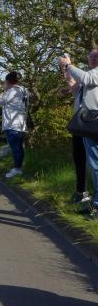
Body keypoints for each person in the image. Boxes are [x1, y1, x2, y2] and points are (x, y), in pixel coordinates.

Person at [61, 50, 98, 217]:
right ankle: (90, 199)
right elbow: (76, 88)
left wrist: (68, 65)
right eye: (91, 55)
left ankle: (96, 205)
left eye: (96, 55)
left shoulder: (93, 74)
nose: (93, 57)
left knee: (95, 165)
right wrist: (66, 73)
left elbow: (86, 79)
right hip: (83, 123)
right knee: (88, 162)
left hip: (93, 123)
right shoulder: (90, 74)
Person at [0, 71, 28, 179]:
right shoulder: (24, 90)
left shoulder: (12, 91)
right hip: (21, 123)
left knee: (15, 148)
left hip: (12, 124)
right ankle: (18, 168)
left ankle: (17, 169)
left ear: (8, 81)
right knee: (19, 147)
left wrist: (3, 91)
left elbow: (1, 101)